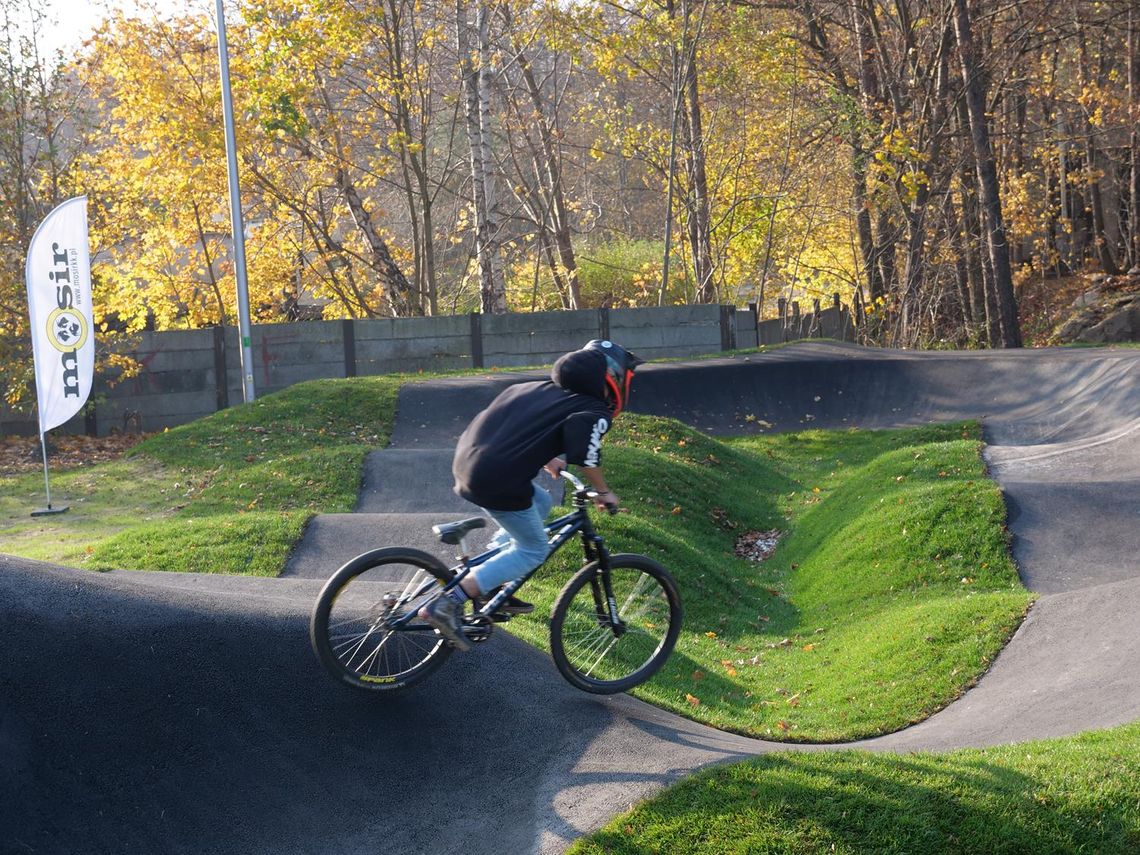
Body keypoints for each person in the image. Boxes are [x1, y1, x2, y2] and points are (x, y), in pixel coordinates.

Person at [420, 339, 644, 650]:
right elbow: (587, 456)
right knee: (534, 549)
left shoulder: (535, 389)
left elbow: (518, 427)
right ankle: (449, 602)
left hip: (467, 461)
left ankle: (489, 581)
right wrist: (603, 492)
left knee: (540, 502)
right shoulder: (593, 410)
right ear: (613, 377)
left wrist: (547, 457)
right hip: (497, 478)